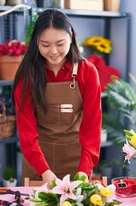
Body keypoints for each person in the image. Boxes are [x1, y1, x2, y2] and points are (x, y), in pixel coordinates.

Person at [12, 9, 102, 186]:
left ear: (71, 38)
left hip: (77, 164)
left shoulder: (88, 72)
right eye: (45, 45)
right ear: (36, 42)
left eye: (60, 43)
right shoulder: (27, 75)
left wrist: (84, 172)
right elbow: (26, 132)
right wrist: (44, 171)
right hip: (37, 166)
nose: (53, 51)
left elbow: (92, 129)